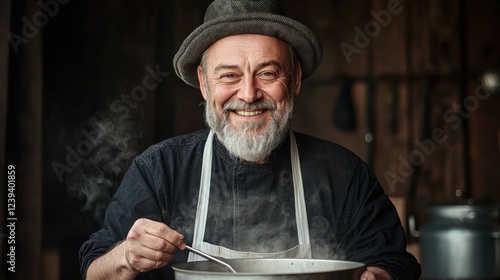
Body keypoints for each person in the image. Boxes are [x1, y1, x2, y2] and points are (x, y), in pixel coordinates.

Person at [79, 0, 421, 279]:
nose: (248, 94)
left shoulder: (344, 174)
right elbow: (94, 271)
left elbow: (394, 263)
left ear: (296, 79)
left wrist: (375, 277)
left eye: (267, 73)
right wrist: (126, 256)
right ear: (204, 82)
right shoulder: (160, 170)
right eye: (229, 75)